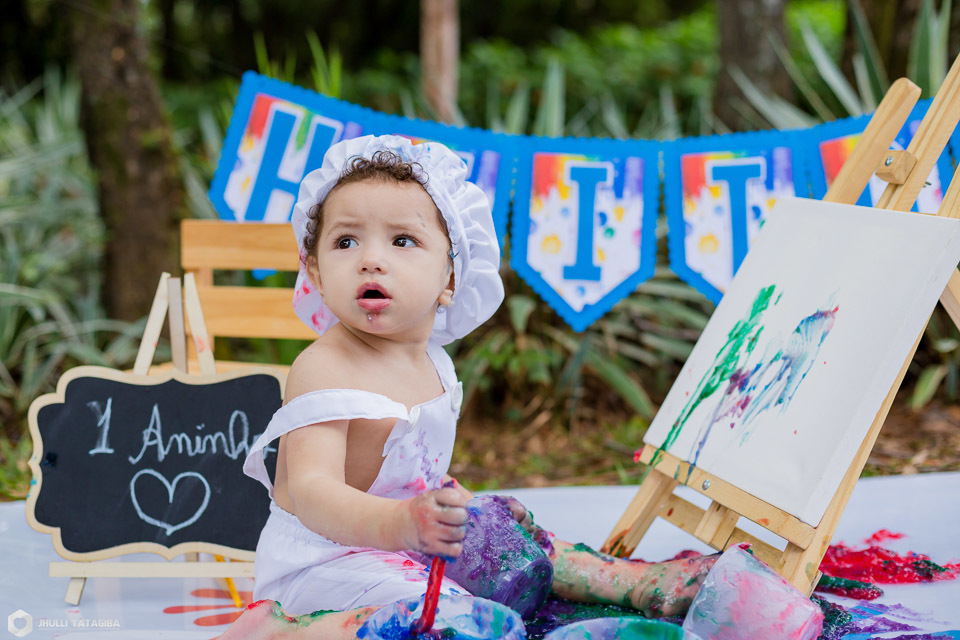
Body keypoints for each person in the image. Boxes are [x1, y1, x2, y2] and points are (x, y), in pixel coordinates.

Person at [219, 135, 716, 640]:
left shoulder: (434, 363)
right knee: (450, 618)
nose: (370, 259)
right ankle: (288, 631)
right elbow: (312, 492)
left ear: (451, 278)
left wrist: (452, 515)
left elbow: (413, 478)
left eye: (402, 241)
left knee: (503, 533)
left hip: (403, 543)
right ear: (317, 274)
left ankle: (627, 582)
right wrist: (402, 524)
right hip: (326, 565)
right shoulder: (324, 366)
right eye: (345, 241)